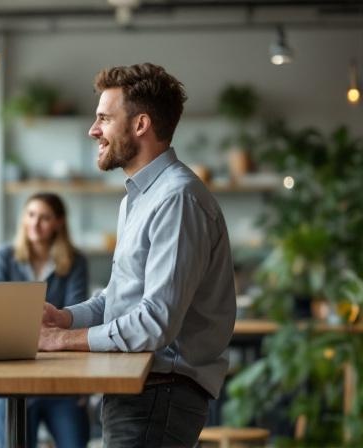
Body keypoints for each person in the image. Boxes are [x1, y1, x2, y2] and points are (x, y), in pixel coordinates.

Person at [39, 62, 236, 447]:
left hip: (160, 393)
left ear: (141, 124)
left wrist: (62, 340)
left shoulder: (177, 199)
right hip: (141, 388)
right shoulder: (139, 198)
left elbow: (154, 322)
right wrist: (64, 318)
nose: (93, 130)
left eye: (104, 118)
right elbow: (118, 300)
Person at [0, 192, 91, 448]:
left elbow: (75, 317)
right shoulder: (3, 256)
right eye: (31, 215)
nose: (35, 223)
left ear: (59, 222)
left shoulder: (75, 261)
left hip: (61, 377)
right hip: (12, 376)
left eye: (44, 217)